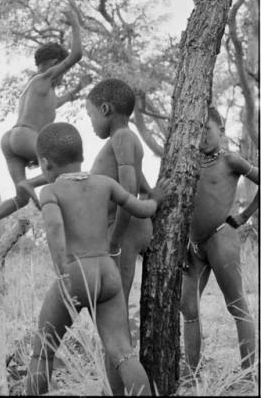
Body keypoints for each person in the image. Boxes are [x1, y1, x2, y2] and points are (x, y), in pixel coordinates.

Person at [25, 122, 170, 396]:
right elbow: (142, 208)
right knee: (123, 352)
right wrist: (156, 198)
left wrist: (62, 271)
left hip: (75, 272)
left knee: (42, 353)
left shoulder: (51, 191)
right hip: (107, 272)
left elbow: (55, 229)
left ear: (44, 163)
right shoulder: (105, 184)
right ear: (81, 155)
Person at [0, 6, 86, 248]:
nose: (63, 75)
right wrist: (76, 24)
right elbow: (77, 56)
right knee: (65, 169)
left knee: (22, 198)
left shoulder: (36, 87)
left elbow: (54, 103)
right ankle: (69, 220)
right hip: (27, 136)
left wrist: (75, 92)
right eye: (60, 67)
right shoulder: (43, 78)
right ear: (52, 64)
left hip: (11, 140)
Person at [180, 107, 258, 376]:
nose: (202, 136)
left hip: (221, 237)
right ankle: (191, 372)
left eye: (208, 129)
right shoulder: (187, 163)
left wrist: (245, 215)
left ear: (221, 131)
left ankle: (250, 372)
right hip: (194, 246)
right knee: (187, 307)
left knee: (236, 305)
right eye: (197, 130)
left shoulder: (230, 160)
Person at [86, 78, 152, 313]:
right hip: (126, 228)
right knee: (114, 301)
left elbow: (129, 191)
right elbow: (143, 186)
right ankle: (119, 347)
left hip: (122, 231)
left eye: (91, 116)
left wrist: (114, 240)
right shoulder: (125, 138)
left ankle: (119, 349)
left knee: (116, 305)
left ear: (105, 109)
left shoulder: (122, 137)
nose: (91, 124)